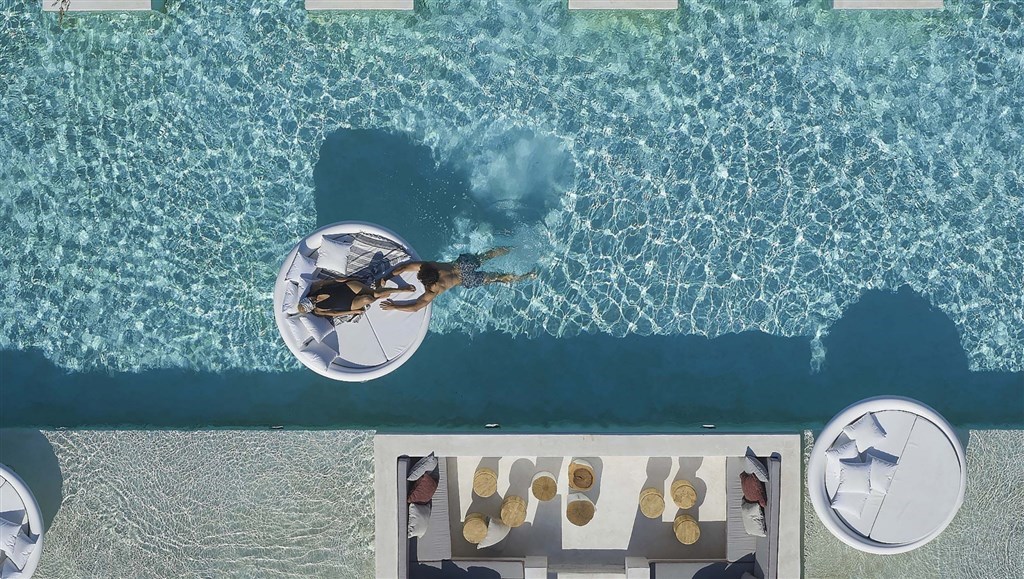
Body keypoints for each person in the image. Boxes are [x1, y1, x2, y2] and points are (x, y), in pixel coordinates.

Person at [380, 247, 536, 313]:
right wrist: (386, 277)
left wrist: (394, 306)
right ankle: (513, 248)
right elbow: (405, 267)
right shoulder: (431, 265)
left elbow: (416, 307)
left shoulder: (433, 289)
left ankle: (529, 275)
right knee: (487, 255)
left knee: (498, 279)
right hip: (463, 265)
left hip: (467, 279)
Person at [298, 276, 413, 317]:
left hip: (347, 287)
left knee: (376, 294)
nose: (314, 299)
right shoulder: (318, 311)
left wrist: (350, 279)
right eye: (313, 302)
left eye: (311, 299)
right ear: (312, 307)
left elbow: (333, 281)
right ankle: (379, 288)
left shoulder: (315, 288)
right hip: (349, 304)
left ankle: (402, 289)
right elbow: (335, 313)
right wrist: (353, 312)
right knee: (369, 299)